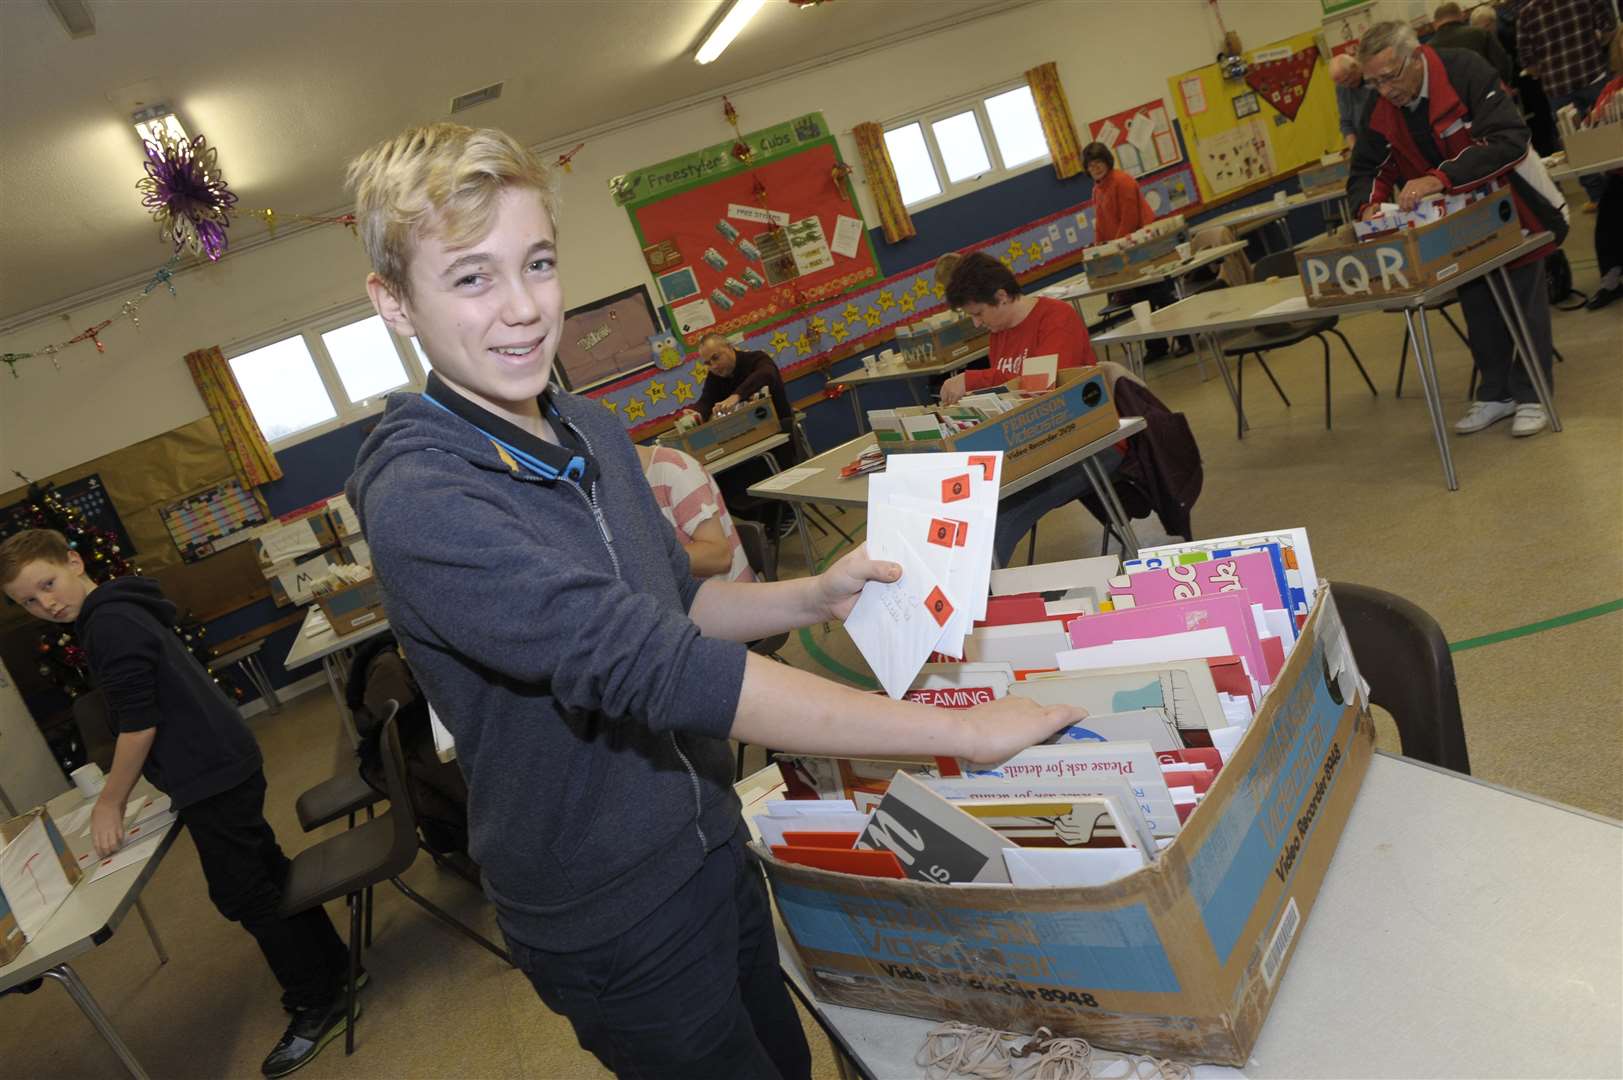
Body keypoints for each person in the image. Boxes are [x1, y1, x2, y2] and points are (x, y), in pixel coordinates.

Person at [342, 122, 1081, 1078]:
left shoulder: (591, 428)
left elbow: (672, 607)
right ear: (394, 303)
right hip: (607, 909)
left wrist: (811, 596)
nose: (524, 310)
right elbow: (650, 665)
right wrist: (959, 731)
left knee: (787, 1058)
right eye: (472, 278)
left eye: (537, 263)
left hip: (707, 836)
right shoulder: (423, 498)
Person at [0, 530, 353, 1078]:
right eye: (28, 600)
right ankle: (335, 972)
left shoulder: (108, 623)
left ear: (73, 562)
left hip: (212, 773)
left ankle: (320, 1003)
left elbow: (140, 724)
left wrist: (109, 804)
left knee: (246, 893)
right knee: (265, 872)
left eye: (47, 584)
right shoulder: (115, 609)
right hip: (219, 763)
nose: (46, 603)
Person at [1350, 20, 1570, 438]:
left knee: (1523, 295)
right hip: (1453, 223)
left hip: (1514, 202)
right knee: (1476, 299)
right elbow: (1368, 166)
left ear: (1415, 58)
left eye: (1390, 77)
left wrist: (1439, 179)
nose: (1384, 91)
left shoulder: (1465, 70)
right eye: (1373, 82)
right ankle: (1495, 393)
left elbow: (1508, 138)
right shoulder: (1381, 104)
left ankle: (1532, 394)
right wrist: (1368, 206)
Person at [937, 252, 1125, 566]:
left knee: (999, 512)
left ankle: (977, 601)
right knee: (966, 504)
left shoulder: (1056, 317)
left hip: (1087, 444)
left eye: (979, 313)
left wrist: (974, 379)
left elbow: (1043, 388)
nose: (977, 323)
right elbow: (1010, 394)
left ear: (1001, 297)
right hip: (1035, 447)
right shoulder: (999, 334)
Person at [1081, 141, 1182, 360]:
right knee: (1140, 302)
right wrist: (1099, 246)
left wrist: (1115, 247)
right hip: (1123, 251)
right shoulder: (1097, 189)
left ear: (1107, 161)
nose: (1095, 168)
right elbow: (1100, 222)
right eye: (1091, 165)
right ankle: (1156, 347)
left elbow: (1130, 218)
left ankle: (1185, 339)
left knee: (1160, 296)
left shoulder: (1122, 181)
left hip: (1142, 247)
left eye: (1098, 162)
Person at [1517, 0, 1619, 205]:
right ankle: (1618, 188)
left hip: (1558, 88)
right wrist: (1594, 46)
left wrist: (1546, 70)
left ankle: (1598, 198)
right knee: (1613, 135)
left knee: (1575, 147)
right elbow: (1609, 28)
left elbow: (1527, 61)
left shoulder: (1527, 14)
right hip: (1593, 76)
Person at [636, 442, 757, 581]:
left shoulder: (674, 470)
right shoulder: (617, 492)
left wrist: (645, 563)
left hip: (726, 597)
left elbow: (720, 557)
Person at [1581, 29, 1623, 309]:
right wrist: (1593, 121)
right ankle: (1612, 278)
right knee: (1608, 220)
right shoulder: (1612, 89)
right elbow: (1591, 128)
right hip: (1618, 173)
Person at [1431, 2, 1517, 82]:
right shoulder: (1480, 33)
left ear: (1434, 24)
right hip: (1489, 92)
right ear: (1462, 16)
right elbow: (1503, 65)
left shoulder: (1427, 51)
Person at [1331, 54, 1380, 150]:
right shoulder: (1342, 87)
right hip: (1365, 143)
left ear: (1355, 66)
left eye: (1346, 80)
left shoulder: (1374, 76)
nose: (1346, 86)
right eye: (1341, 83)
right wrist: (1354, 149)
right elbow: (1345, 122)